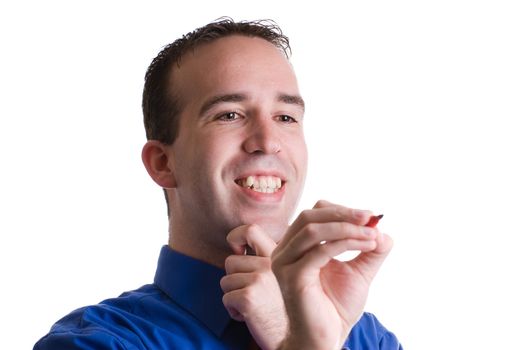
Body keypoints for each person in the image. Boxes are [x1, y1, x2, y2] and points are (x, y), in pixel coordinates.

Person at [34, 18, 402, 350]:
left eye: (286, 116)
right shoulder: (101, 343)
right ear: (163, 163)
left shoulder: (366, 338)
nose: (268, 140)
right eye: (230, 114)